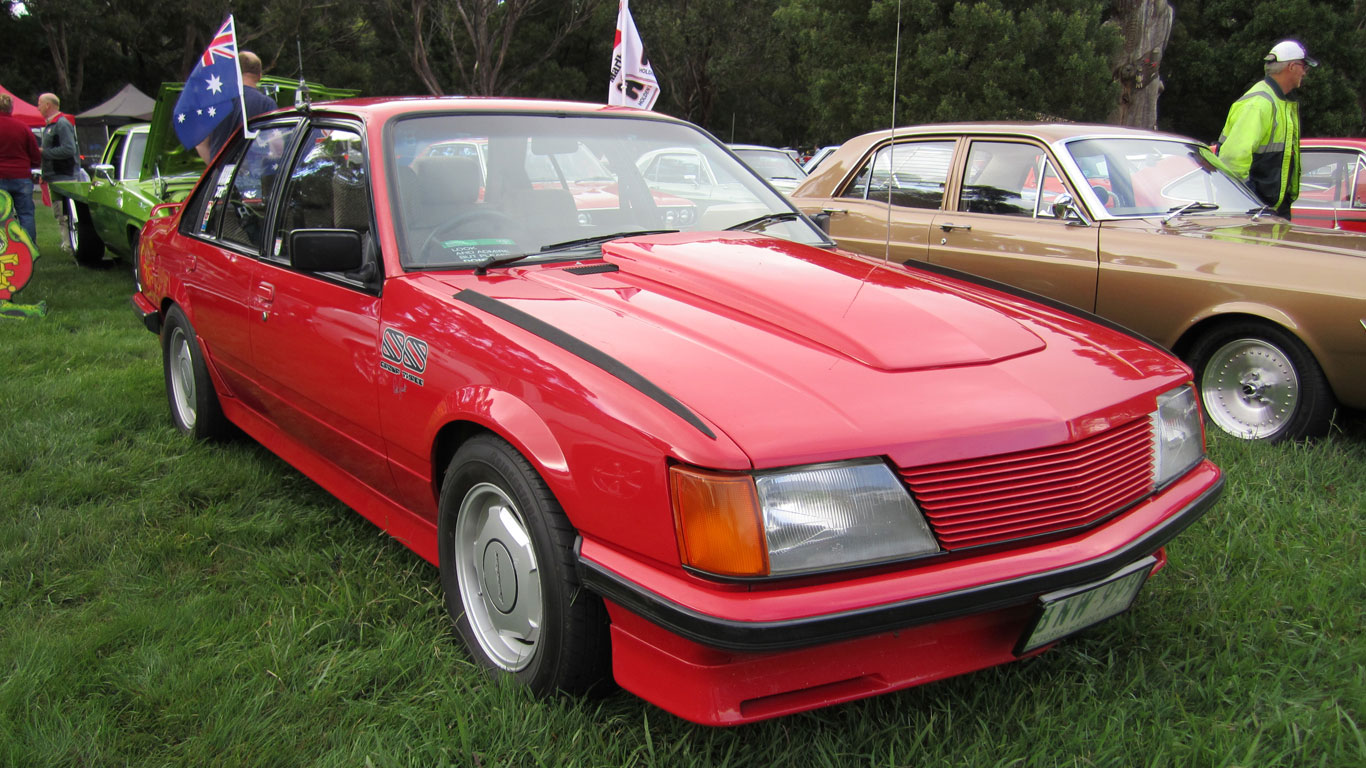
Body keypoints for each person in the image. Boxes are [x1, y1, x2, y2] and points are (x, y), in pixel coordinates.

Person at [1216, 39, 1318, 219]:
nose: (1305, 72)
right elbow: (1232, 160)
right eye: (1304, 67)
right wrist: (1250, 203)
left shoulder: (1281, 102)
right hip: (1255, 212)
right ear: (1292, 67)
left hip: (1270, 209)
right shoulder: (1259, 104)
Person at [196, 51, 278, 163]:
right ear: (259, 76)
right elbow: (278, 148)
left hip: (220, 176)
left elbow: (200, 143)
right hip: (252, 176)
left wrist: (214, 171)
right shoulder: (267, 104)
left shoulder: (214, 102)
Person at [0, 94, 41, 244]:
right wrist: (33, 165)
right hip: (21, 176)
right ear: (11, 108)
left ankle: (4, 248)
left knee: (1, 215)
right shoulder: (22, 127)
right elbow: (35, 152)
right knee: (26, 214)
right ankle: (29, 247)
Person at [37, 92, 79, 227]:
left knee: (65, 213)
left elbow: (69, 149)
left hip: (64, 176)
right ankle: (66, 242)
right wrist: (45, 174)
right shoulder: (51, 125)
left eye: (39, 104)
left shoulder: (62, 124)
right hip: (54, 176)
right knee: (59, 212)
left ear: (48, 105)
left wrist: (44, 152)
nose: (38, 108)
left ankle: (69, 243)